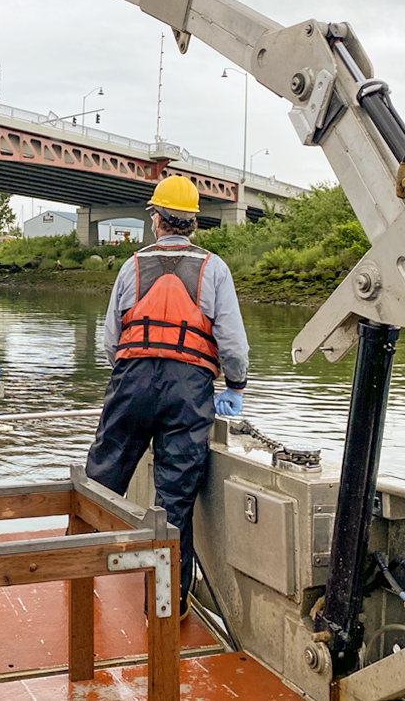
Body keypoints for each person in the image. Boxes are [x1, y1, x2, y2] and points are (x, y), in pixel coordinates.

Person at [85, 175, 250, 620]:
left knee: (100, 481)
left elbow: (110, 340)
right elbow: (232, 344)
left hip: (131, 381)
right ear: (193, 223)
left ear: (156, 219)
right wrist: (235, 387)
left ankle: (79, 577)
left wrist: (129, 375)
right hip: (188, 390)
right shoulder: (214, 269)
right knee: (174, 501)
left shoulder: (132, 266)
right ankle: (166, 606)